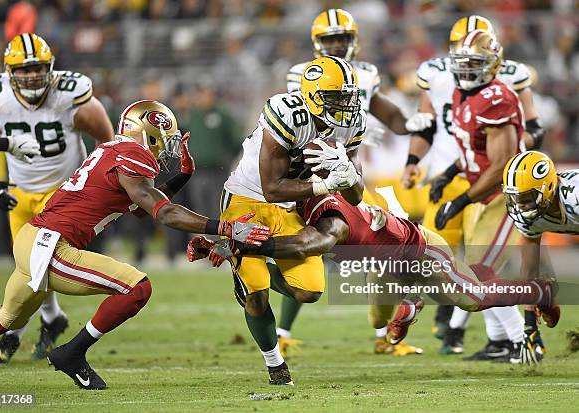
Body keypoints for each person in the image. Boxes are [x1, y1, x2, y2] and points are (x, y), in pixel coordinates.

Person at [0, 100, 269, 390]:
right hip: (52, 246)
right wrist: (225, 227)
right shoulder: (134, 155)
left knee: (6, 318)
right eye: (163, 138)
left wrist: (182, 176)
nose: (166, 146)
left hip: (34, 239)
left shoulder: (115, 150)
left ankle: (70, 352)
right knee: (137, 288)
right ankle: (72, 352)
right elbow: (163, 211)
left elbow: (141, 208)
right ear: (148, 133)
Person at [189, 190, 556, 356]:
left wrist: (241, 246)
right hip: (385, 266)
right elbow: (276, 233)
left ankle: (539, 292)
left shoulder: (328, 213)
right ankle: (410, 305)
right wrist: (222, 243)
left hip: (421, 254)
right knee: (377, 321)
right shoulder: (305, 204)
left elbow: (302, 246)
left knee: (473, 298)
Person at [283, 7, 434, 357]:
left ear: (353, 41)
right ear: (317, 43)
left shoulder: (364, 74)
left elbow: (387, 112)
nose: (336, 45)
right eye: (329, 39)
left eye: (342, 38)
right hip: (313, 171)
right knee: (309, 248)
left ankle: (383, 333)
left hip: (352, 173)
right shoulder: (304, 74)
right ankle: (281, 331)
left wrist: (411, 123)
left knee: (375, 250)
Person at [216, 55, 371, 385]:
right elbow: (271, 188)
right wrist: (328, 183)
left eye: (348, 97)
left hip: (290, 206)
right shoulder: (288, 113)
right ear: (314, 96)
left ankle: (243, 254)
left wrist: (347, 173)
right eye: (337, 98)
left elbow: (357, 197)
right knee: (256, 293)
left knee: (310, 290)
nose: (346, 105)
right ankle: (274, 363)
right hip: (248, 198)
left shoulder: (350, 124)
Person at [401, 15, 546, 359]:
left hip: (509, 196)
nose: (466, 71)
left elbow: (500, 166)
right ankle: (502, 340)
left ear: (493, 65)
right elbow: (473, 149)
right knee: (471, 275)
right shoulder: (462, 93)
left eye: (475, 64)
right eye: (462, 64)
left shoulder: (498, 97)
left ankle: (526, 335)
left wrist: (461, 199)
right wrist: (450, 174)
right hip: (487, 192)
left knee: (477, 276)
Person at [0, 33, 116, 363]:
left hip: (63, 192)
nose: (32, 75)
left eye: (38, 68)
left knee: (38, 263)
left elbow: (110, 145)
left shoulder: (70, 95)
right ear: (9, 72)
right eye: (23, 69)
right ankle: (52, 318)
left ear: (50, 68)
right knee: (28, 265)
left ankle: (13, 333)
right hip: (20, 191)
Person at [502, 150, 572, 363]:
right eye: (515, 197)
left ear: (548, 188)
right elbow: (529, 269)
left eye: (526, 197)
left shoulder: (574, 199)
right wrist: (530, 325)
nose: (520, 205)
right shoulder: (529, 215)